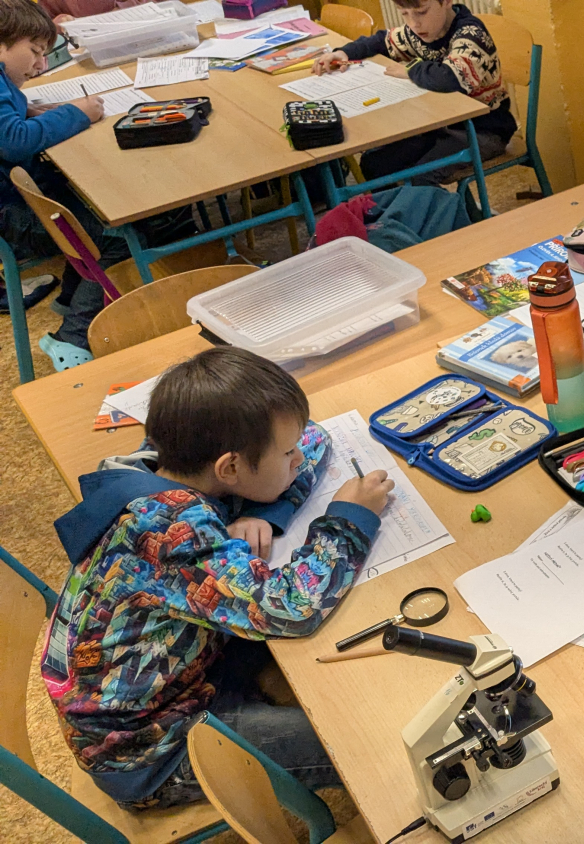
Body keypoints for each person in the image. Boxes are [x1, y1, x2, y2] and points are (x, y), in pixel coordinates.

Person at [41, 347, 395, 809]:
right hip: (150, 750)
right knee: (364, 742)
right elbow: (292, 608)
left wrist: (267, 512)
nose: (296, 458)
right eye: (285, 453)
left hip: (186, 671)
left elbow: (313, 437)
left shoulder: (163, 460)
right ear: (229, 468)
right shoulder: (169, 532)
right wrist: (349, 518)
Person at [0, 0, 129, 369]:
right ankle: (72, 339)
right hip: (11, 214)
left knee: (93, 206)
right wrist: (76, 114)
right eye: (35, 52)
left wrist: (26, 111)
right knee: (115, 235)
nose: (41, 65)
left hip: (16, 200)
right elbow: (14, 142)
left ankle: (73, 295)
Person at [312, 0, 515, 187]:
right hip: (440, 124)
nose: (414, 23)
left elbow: (450, 78)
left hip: (484, 131)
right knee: (375, 163)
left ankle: (432, 212)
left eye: (421, 12)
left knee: (421, 177)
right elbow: (381, 41)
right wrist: (343, 53)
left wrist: (410, 70)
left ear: (447, 2)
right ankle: (394, 212)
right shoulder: (420, 32)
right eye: (404, 14)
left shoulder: (471, 34)